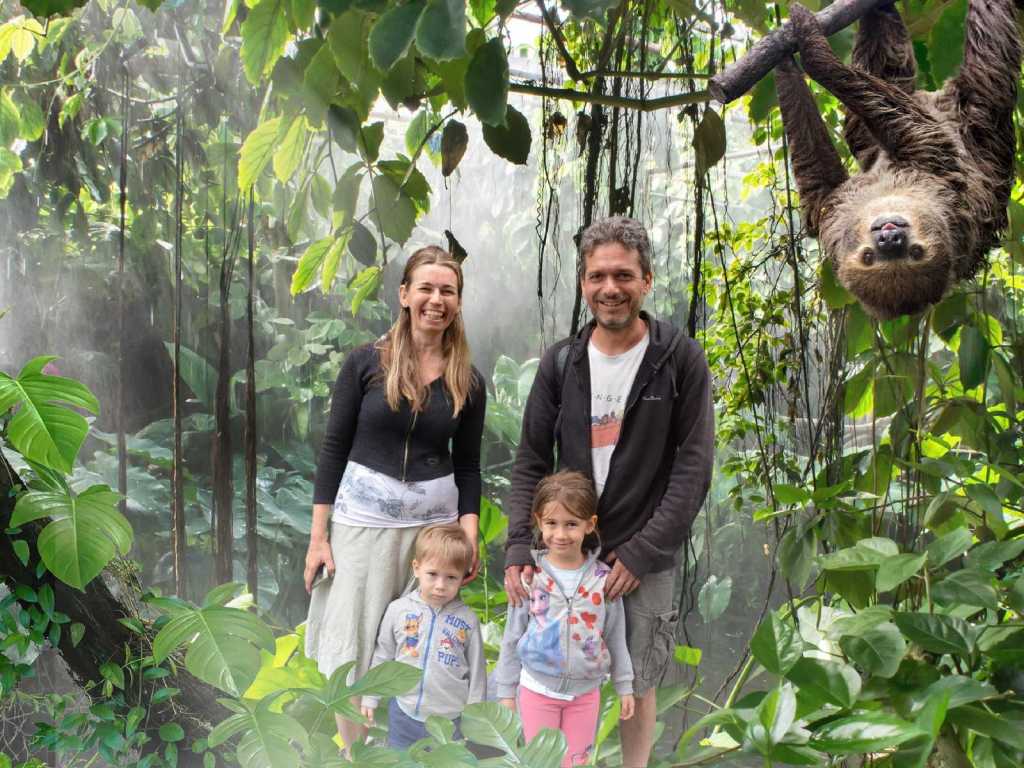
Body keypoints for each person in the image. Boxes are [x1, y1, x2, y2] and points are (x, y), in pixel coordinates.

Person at [504, 216, 714, 768]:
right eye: (597, 276)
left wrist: (644, 551)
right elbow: (530, 460)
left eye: (623, 275)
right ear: (583, 283)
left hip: (641, 553)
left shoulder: (679, 359)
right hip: (564, 551)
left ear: (646, 280)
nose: (610, 288)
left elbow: (693, 467)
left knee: (636, 682)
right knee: (548, 674)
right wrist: (520, 546)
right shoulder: (562, 361)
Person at [303, 246, 486, 752]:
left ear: (458, 301)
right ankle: (355, 756)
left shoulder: (468, 378)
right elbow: (334, 449)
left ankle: (417, 756)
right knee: (355, 646)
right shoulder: (365, 362)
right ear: (404, 294)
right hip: (362, 527)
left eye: (447, 290)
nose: (436, 300)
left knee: (421, 644)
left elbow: (469, 466)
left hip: (432, 534)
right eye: (425, 288)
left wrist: (468, 535)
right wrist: (319, 538)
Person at [495, 471, 634, 767]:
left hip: (586, 695)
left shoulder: (604, 580)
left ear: (589, 525)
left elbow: (615, 636)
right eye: (551, 523)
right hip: (536, 690)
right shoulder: (530, 577)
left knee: (576, 763)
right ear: (538, 521)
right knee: (539, 763)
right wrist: (506, 692)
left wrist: (624, 686)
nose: (560, 534)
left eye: (571, 524)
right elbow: (512, 637)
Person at [360, 523, 486, 748]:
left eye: (451, 577)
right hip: (403, 713)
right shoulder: (398, 610)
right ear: (417, 568)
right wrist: (370, 696)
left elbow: (477, 672)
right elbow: (383, 656)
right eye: (432, 574)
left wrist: (475, 717)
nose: (440, 585)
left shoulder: (468, 620)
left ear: (463, 576)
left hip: (450, 720)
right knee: (403, 762)